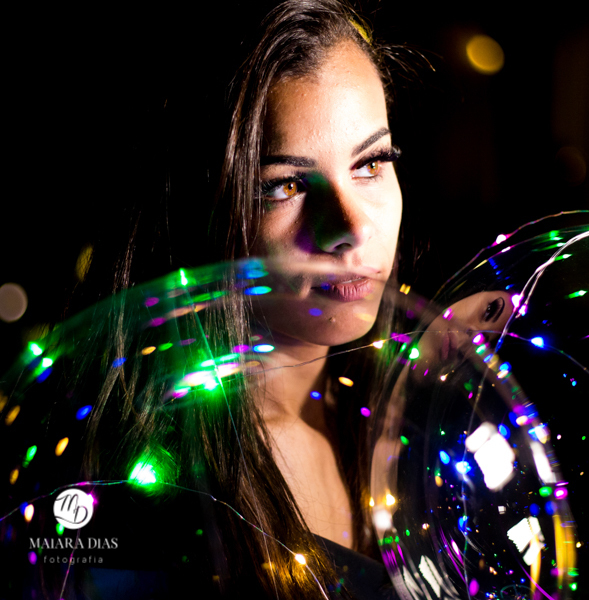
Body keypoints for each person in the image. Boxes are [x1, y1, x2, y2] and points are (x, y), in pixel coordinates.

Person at [0, 1, 408, 598]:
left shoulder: (402, 422)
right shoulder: (143, 483)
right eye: (285, 186)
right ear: (203, 208)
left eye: (371, 163)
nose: (351, 225)